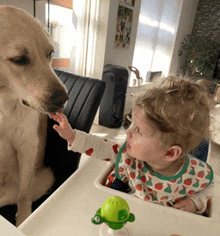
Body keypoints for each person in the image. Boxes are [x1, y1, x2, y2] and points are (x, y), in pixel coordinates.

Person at [49, 76, 214, 215]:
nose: (128, 132)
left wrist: (195, 202)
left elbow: (210, 186)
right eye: (131, 124)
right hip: (129, 214)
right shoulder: (128, 155)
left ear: (170, 154)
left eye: (139, 131)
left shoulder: (196, 173)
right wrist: (72, 136)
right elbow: (100, 146)